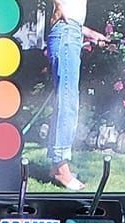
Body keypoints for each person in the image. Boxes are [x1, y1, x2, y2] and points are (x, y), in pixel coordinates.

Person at [46, 0, 104, 191]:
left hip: (71, 32)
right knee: (68, 102)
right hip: (66, 33)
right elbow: (67, 16)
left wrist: (91, 34)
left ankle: (56, 166)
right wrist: (58, 5)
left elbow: (73, 17)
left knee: (64, 101)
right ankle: (61, 169)